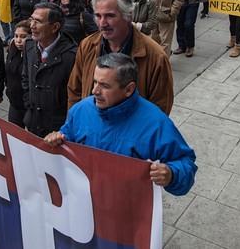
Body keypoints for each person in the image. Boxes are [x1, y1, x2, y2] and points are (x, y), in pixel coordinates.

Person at [45, 53, 196, 196]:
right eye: (95, 82)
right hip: (85, 207)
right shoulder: (80, 110)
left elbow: (185, 164)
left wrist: (172, 174)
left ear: (128, 89)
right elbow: (66, 140)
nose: (95, 90)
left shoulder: (156, 123)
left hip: (126, 212)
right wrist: (56, 140)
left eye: (105, 85)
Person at [68, 0, 174, 114]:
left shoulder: (156, 57)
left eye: (110, 16)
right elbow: (75, 91)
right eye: (98, 16)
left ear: (128, 15)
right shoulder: (87, 46)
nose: (102, 23)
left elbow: (160, 108)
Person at [22, 2, 77, 137]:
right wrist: (30, 104)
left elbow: (76, 95)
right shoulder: (29, 46)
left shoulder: (72, 56)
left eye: (38, 22)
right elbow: (25, 79)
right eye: (31, 20)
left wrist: (64, 129)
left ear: (55, 27)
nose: (32, 26)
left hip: (57, 132)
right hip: (32, 123)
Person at [5, 20, 31, 127]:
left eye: (23, 37)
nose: (18, 40)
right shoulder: (12, 48)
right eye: (16, 36)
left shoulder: (33, 55)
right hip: (14, 103)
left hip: (29, 106)